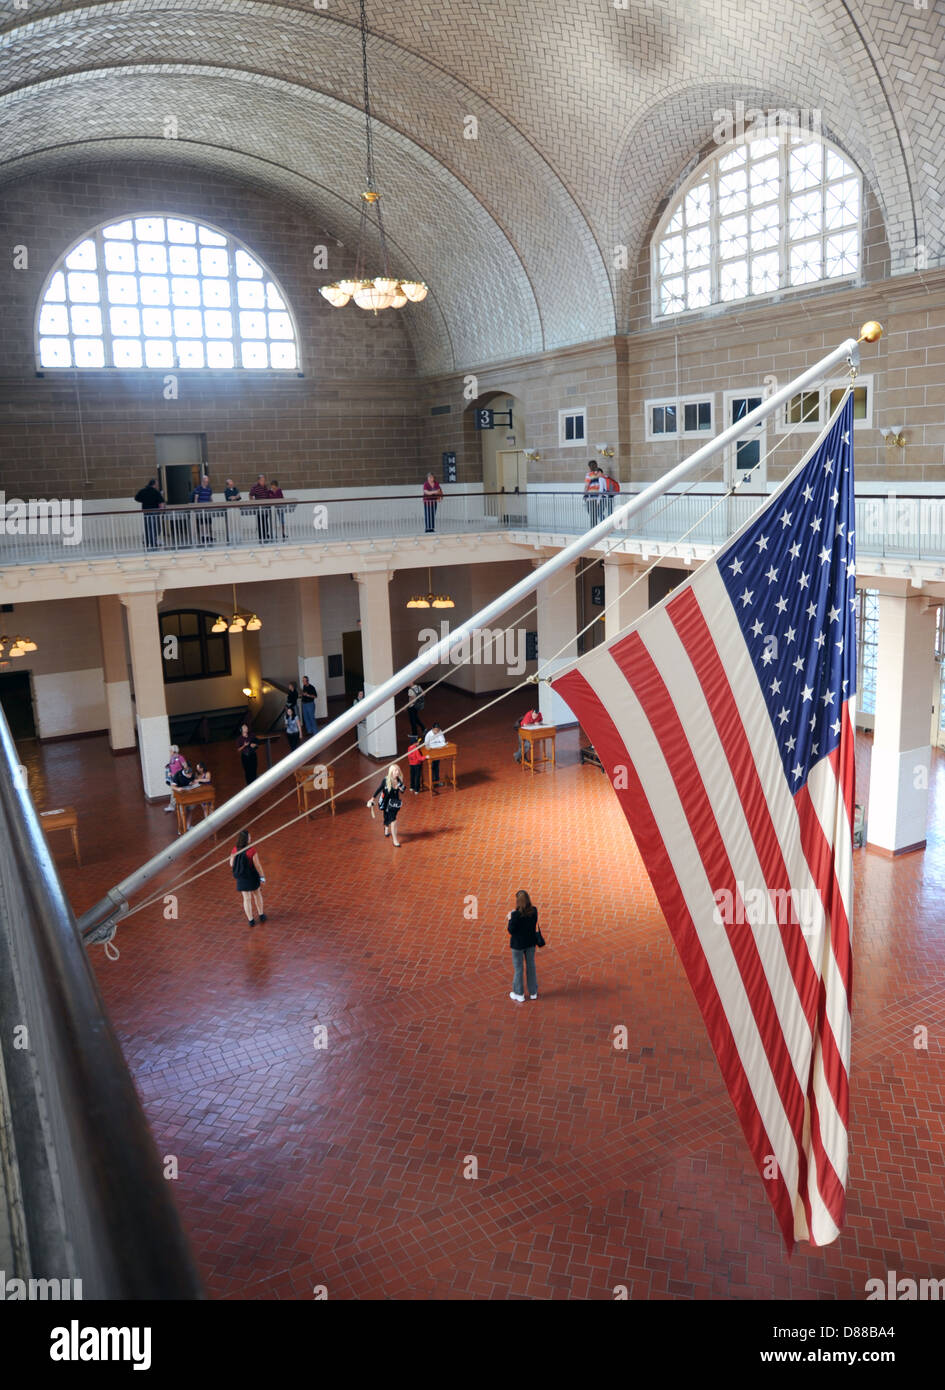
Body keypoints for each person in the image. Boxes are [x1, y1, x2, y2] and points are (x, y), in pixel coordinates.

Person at [230, 828, 267, 929]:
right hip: (251, 876)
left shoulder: (234, 849)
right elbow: (258, 866)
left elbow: (231, 863)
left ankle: (251, 920)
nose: (250, 838)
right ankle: (261, 915)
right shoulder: (251, 851)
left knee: (246, 899)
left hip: (241, 878)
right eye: (249, 836)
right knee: (257, 894)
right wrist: (262, 877)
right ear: (246, 839)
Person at [507, 889, 540, 1002]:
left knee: (518, 969)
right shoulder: (534, 911)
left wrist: (510, 918)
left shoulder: (515, 915)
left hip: (518, 946)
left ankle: (519, 993)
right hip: (530, 943)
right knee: (531, 967)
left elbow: (511, 930)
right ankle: (533, 992)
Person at [367, 764, 406, 847]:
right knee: (393, 821)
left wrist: (401, 788)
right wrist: (372, 798)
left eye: (398, 770)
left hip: (394, 804)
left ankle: (386, 828)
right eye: (395, 770)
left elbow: (402, 791)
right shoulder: (386, 780)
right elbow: (379, 789)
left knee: (388, 819)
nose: (397, 772)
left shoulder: (399, 780)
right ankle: (395, 840)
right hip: (387, 803)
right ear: (391, 772)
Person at [134, 478, 164, 549]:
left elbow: (136, 498)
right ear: (154, 484)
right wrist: (161, 511)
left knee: (147, 528)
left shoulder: (143, 491)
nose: (157, 485)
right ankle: (153, 543)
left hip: (146, 511)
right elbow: (161, 501)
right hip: (154, 511)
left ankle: (147, 543)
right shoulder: (156, 492)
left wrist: (143, 500)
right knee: (154, 528)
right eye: (157, 484)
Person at [185, 761, 212, 830]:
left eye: (198, 767)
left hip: (207, 793)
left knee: (209, 809)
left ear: (202, 768)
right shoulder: (197, 774)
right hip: (200, 794)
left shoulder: (207, 773)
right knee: (204, 808)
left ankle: (210, 824)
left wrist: (198, 780)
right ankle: (207, 825)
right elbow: (195, 781)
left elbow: (207, 779)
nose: (197, 769)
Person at [190, 473, 214, 543]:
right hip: (200, 509)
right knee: (202, 523)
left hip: (208, 509)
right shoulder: (198, 488)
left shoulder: (209, 489)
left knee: (208, 523)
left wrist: (213, 505)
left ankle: (209, 536)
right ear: (202, 481)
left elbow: (211, 498)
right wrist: (196, 507)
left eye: (207, 482)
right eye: (206, 481)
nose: (207, 483)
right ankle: (203, 536)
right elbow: (196, 498)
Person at [164, 743, 186, 811]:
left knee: (176, 791)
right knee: (173, 791)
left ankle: (181, 806)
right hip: (173, 778)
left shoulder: (180, 758)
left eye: (170, 751)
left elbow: (185, 767)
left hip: (179, 778)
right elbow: (171, 766)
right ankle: (173, 806)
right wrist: (169, 771)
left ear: (174, 751)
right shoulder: (172, 758)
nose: (169, 752)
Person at [424, 722, 447, 789]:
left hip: (437, 752)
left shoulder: (440, 732)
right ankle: (432, 781)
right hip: (431, 752)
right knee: (432, 767)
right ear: (432, 729)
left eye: (438, 730)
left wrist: (439, 744)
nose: (436, 731)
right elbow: (426, 744)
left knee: (436, 766)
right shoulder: (428, 734)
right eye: (435, 730)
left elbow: (443, 741)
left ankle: (437, 780)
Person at [249, 474, 272, 542]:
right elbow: (250, 495)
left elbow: (267, 495)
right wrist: (254, 504)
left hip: (266, 507)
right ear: (259, 480)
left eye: (264, 480)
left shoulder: (265, 486)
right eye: (262, 480)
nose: (263, 481)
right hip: (259, 508)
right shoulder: (255, 487)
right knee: (260, 523)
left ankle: (266, 535)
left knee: (265, 522)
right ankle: (261, 537)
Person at [583, 461, 605, 526]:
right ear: (596, 465)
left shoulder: (588, 475)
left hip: (590, 498)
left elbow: (586, 486)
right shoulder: (600, 474)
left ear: (589, 467)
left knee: (592, 515)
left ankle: (593, 529)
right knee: (598, 514)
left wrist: (584, 495)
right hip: (599, 498)